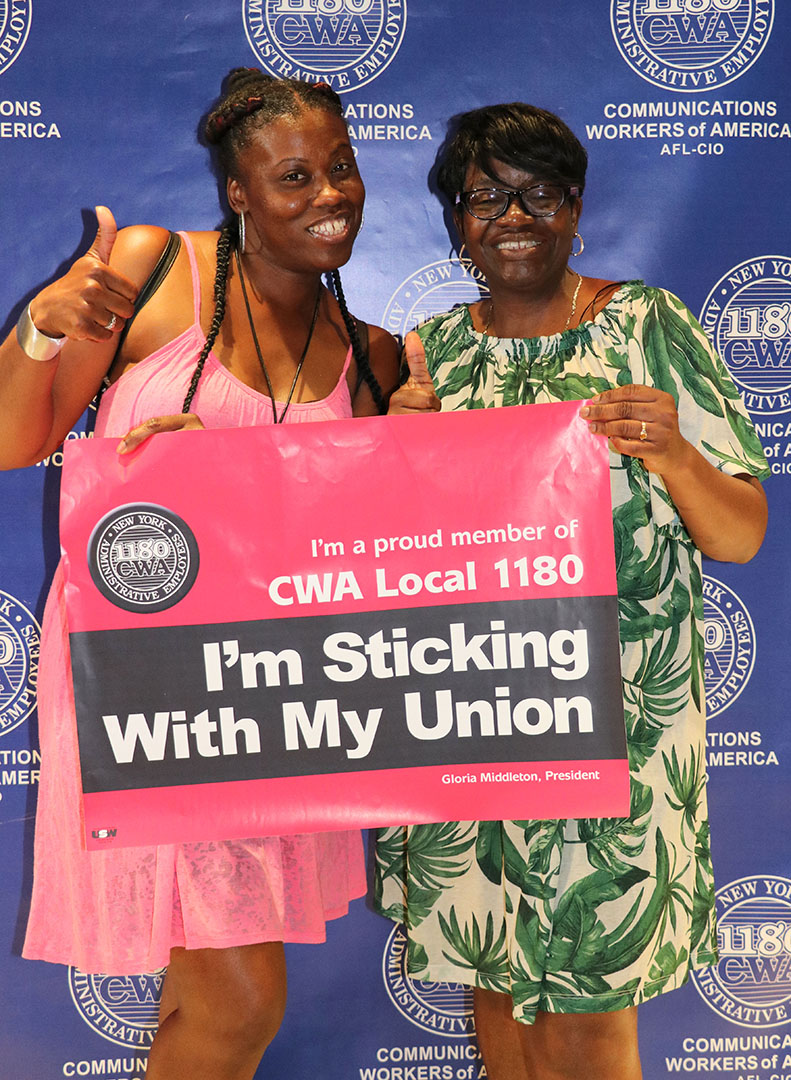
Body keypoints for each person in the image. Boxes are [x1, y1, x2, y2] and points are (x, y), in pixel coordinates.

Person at [0, 68, 399, 1080]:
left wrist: (411, 449)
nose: (329, 194)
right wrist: (45, 325)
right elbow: (17, 438)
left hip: (274, 693)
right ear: (237, 192)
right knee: (242, 997)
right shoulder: (153, 268)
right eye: (294, 176)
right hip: (146, 684)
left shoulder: (369, 352)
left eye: (341, 167)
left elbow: (359, 548)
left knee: (209, 990)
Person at [376, 102, 769, 1080]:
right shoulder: (429, 356)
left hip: (619, 737)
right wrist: (392, 454)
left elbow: (742, 534)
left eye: (537, 193)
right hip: (471, 721)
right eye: (484, 198)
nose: (511, 217)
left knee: (590, 1022)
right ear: (455, 219)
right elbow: (382, 557)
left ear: (575, 207)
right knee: (497, 992)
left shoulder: (647, 326)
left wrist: (674, 452)